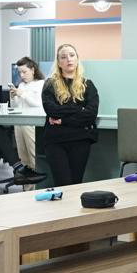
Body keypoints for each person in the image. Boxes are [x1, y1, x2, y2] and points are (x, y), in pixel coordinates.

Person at [40, 44, 99, 186]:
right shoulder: (50, 85)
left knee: (75, 184)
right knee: (63, 183)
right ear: (59, 62)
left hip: (80, 139)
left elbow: (90, 114)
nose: (68, 59)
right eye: (63, 57)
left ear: (77, 59)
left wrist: (63, 120)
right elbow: (51, 110)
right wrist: (79, 109)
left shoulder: (87, 85)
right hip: (56, 141)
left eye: (72, 55)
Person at [9, 56, 47, 175]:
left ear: (33, 70)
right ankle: (27, 182)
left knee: (32, 154)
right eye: (19, 72)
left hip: (32, 124)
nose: (22, 75)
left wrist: (22, 94)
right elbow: (16, 106)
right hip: (20, 123)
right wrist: (13, 97)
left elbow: (39, 105)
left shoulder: (41, 84)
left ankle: (36, 181)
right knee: (23, 156)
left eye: (24, 72)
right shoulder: (21, 85)